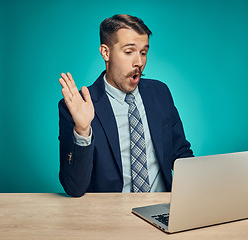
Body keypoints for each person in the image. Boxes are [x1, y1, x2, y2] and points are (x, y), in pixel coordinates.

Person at [58, 14, 194, 197]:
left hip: (161, 208)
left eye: (143, 52)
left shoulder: (160, 93)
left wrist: (200, 190)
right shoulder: (77, 106)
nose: (139, 62)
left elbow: (181, 154)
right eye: (129, 52)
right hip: (110, 216)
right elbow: (74, 188)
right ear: (106, 53)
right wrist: (82, 131)